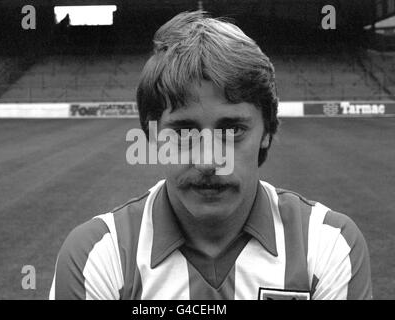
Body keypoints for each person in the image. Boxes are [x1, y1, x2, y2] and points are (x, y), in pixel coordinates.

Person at [49, 11, 372, 300]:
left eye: (231, 130)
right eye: (183, 132)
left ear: (268, 131)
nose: (207, 160)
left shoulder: (328, 246)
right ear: (151, 137)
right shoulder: (98, 255)